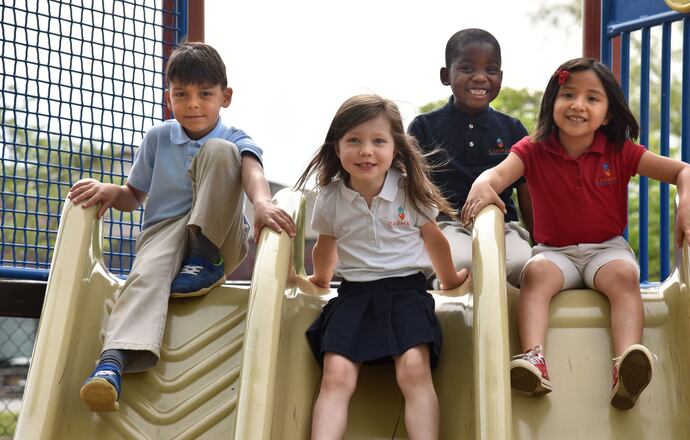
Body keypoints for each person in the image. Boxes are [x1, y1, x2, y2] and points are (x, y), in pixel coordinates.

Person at [461, 58, 690, 410]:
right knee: (534, 276)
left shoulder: (619, 152)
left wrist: (688, 205)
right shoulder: (532, 150)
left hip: (605, 249)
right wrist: (481, 185)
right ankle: (534, 359)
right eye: (568, 94)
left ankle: (626, 363)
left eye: (592, 98)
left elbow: (684, 172)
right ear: (552, 102)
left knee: (624, 277)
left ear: (608, 114)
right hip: (554, 252)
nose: (578, 105)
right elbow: (494, 176)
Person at [68, 42, 296, 412]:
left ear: (226, 96)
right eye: (182, 94)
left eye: (205, 94)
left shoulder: (234, 137)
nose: (193, 104)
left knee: (222, 151)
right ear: (168, 97)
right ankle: (112, 364)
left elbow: (253, 172)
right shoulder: (158, 138)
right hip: (164, 235)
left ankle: (203, 259)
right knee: (144, 277)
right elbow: (133, 195)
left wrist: (262, 202)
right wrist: (110, 191)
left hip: (219, 238)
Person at [295, 95, 467, 440]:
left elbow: (435, 240)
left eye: (378, 141)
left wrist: (449, 280)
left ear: (395, 148)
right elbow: (325, 245)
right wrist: (320, 279)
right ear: (337, 147)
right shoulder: (329, 197)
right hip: (354, 296)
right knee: (336, 374)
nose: (365, 151)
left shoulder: (409, 191)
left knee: (414, 370)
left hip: (406, 293)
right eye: (353, 141)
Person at [408, 28, 533, 287]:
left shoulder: (512, 129)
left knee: (524, 266)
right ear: (446, 75)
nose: (480, 77)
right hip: (447, 225)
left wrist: (540, 240)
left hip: (502, 225)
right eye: (467, 69)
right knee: (461, 262)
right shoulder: (424, 127)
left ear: (500, 77)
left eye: (491, 70)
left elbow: (527, 191)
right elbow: (409, 187)